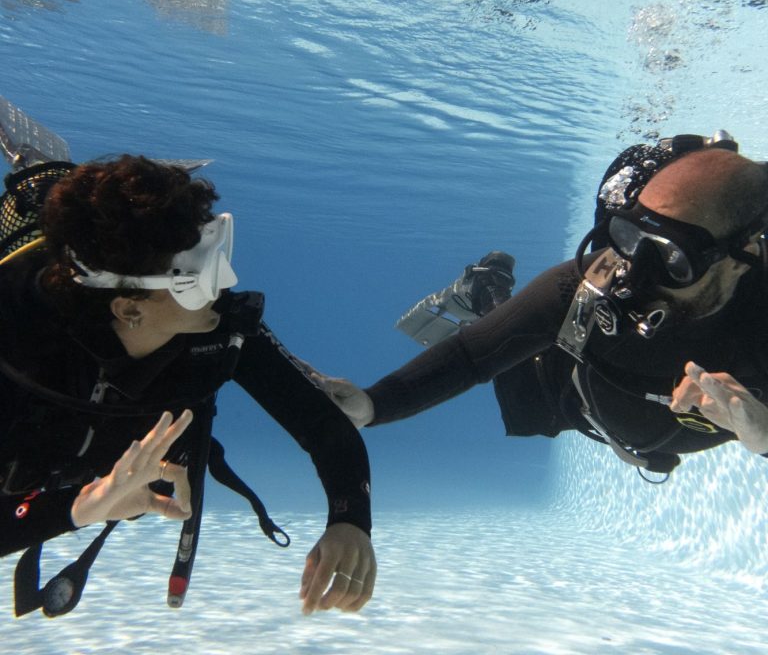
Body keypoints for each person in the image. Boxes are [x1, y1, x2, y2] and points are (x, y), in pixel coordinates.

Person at [0, 151, 375, 617]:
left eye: (216, 257)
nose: (225, 283)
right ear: (128, 307)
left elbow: (322, 423)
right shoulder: (16, 357)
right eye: (194, 278)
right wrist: (81, 508)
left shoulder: (216, 327)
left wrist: (350, 521)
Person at [322, 134, 768, 476]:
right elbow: (472, 355)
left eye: (673, 257)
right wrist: (372, 405)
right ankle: (489, 294)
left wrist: (762, 434)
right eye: (630, 238)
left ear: (743, 254)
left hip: (629, 429)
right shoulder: (594, 282)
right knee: (522, 374)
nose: (637, 275)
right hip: (573, 396)